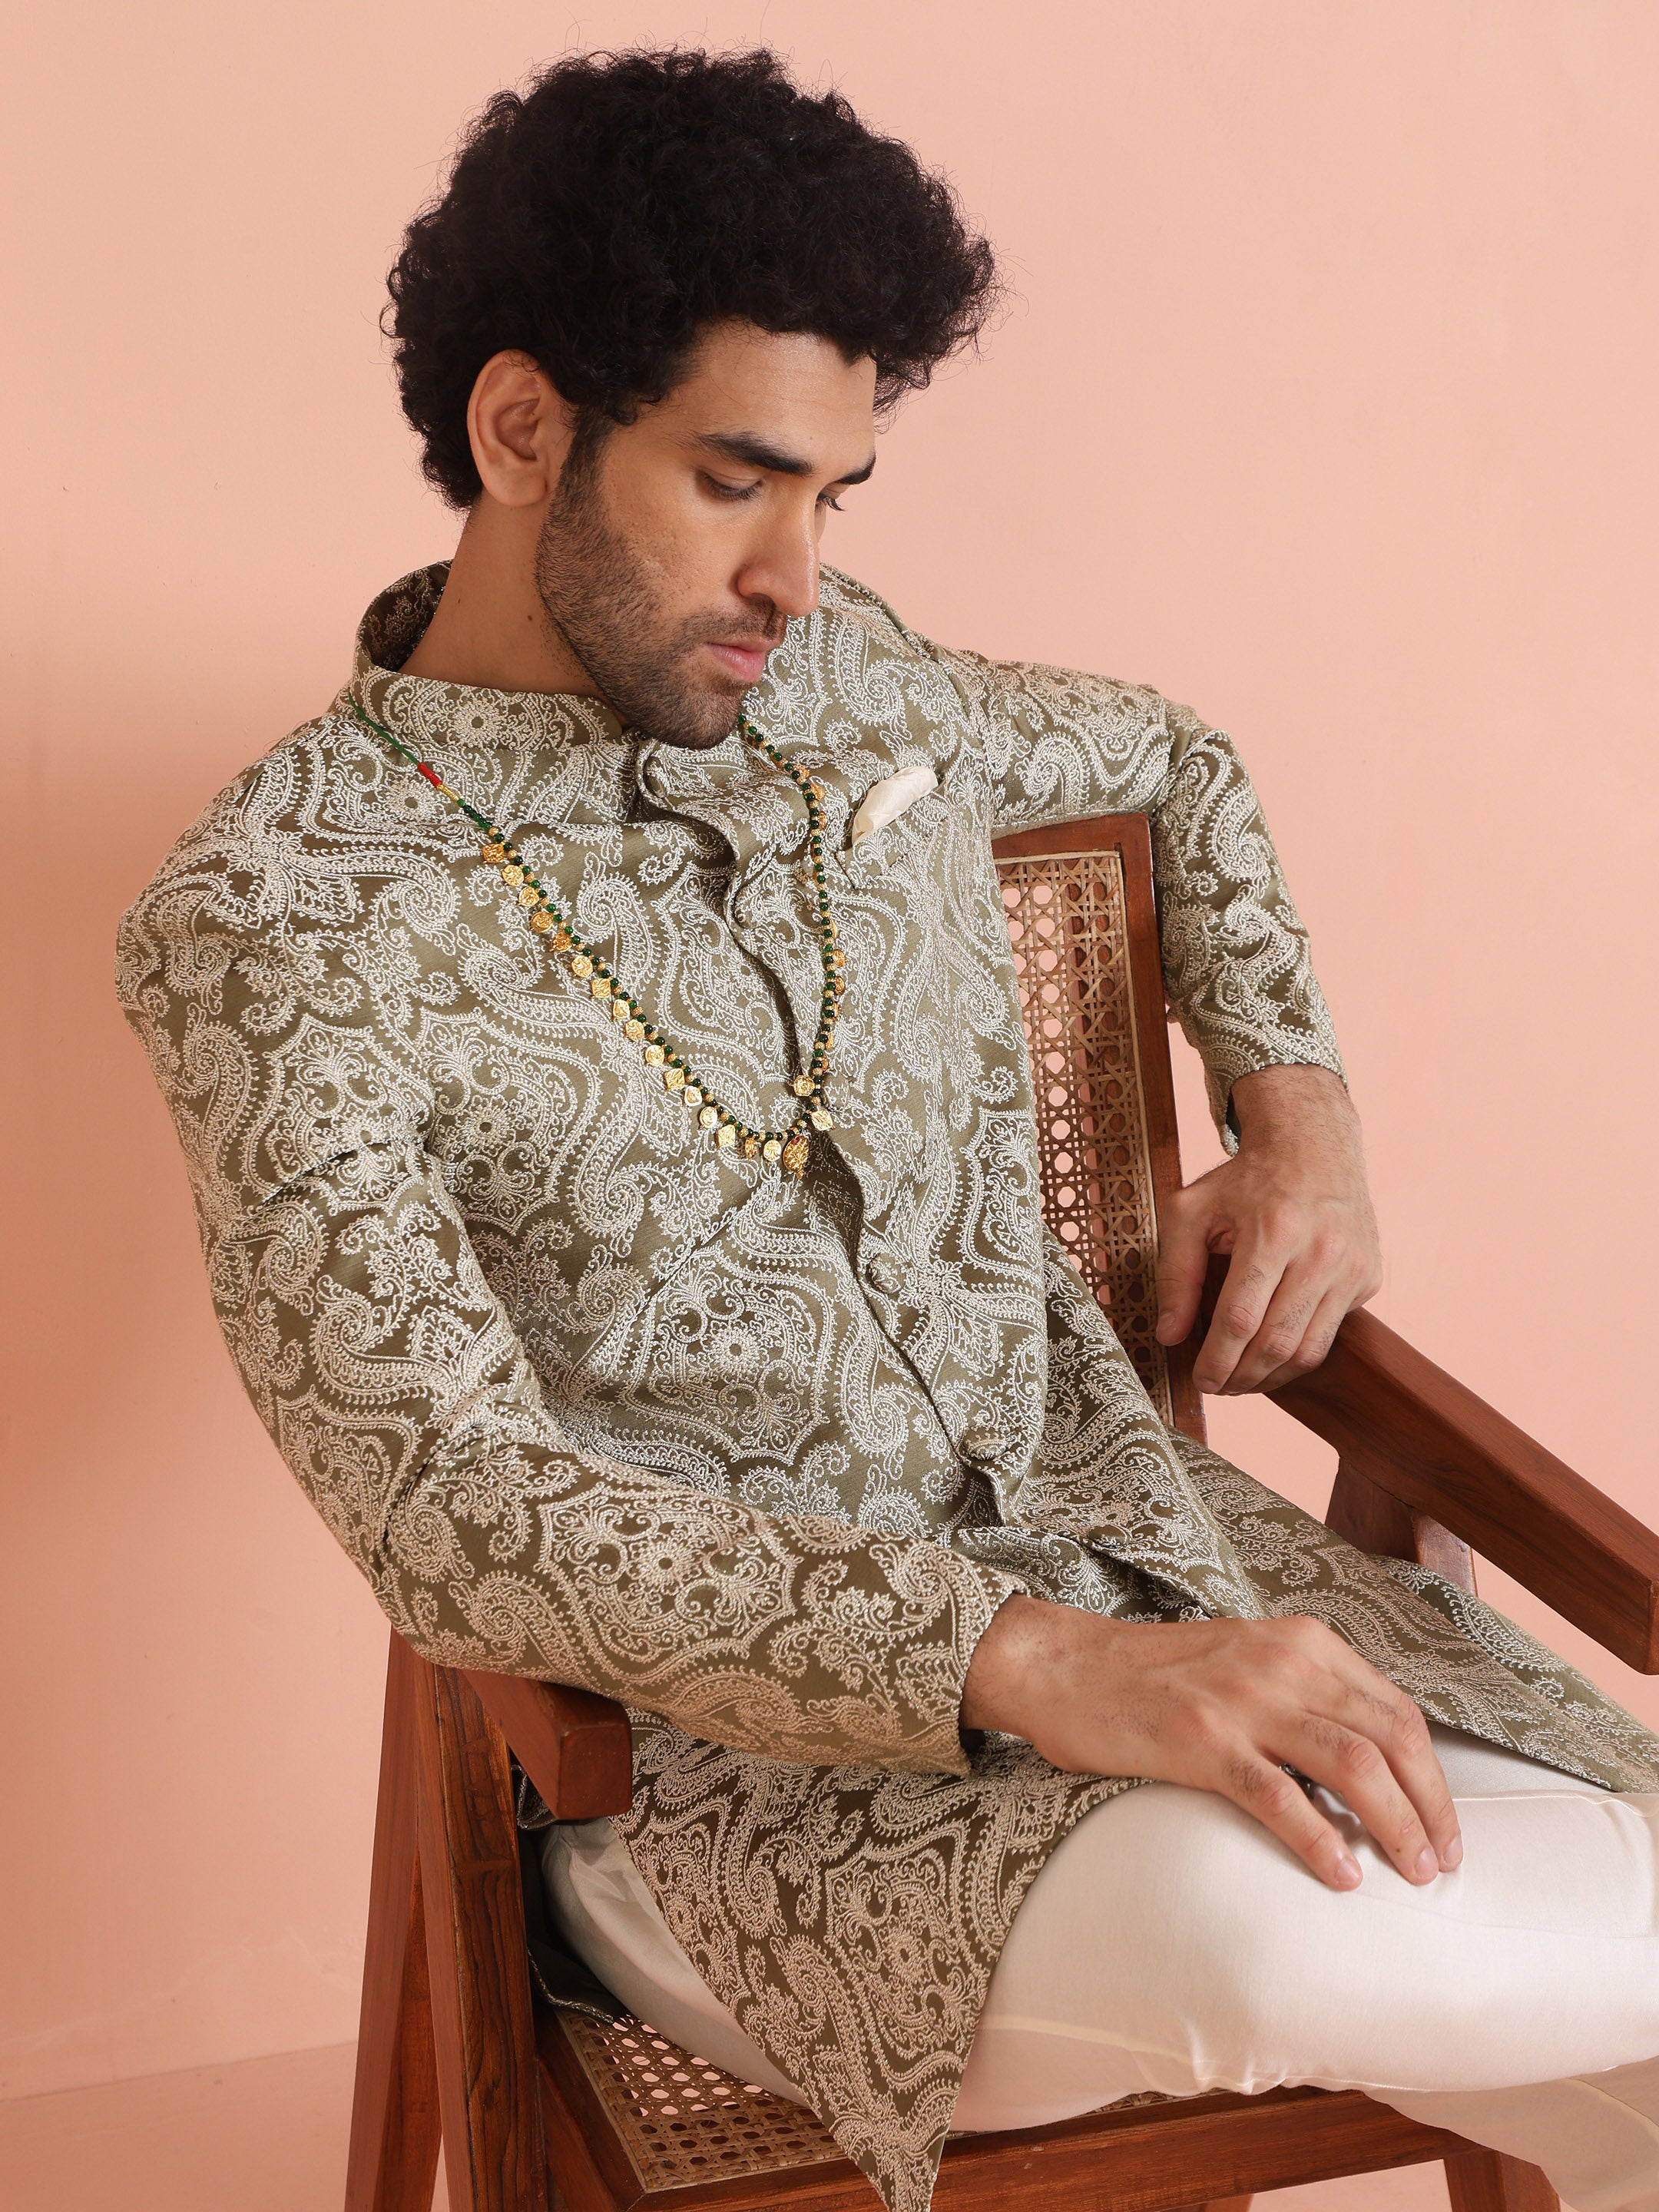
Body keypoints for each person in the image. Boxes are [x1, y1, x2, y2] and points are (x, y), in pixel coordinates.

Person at [118, 48, 1658, 2212]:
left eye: (835, 495)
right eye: (736, 480)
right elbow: (453, 1505)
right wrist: (1044, 1670)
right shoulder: (278, 916)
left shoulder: (861, 691)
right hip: (750, 1802)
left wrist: (1299, 1111)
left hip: (1185, 1590)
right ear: (521, 429)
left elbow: (1176, 764)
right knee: (1322, 1936)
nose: (796, 574)